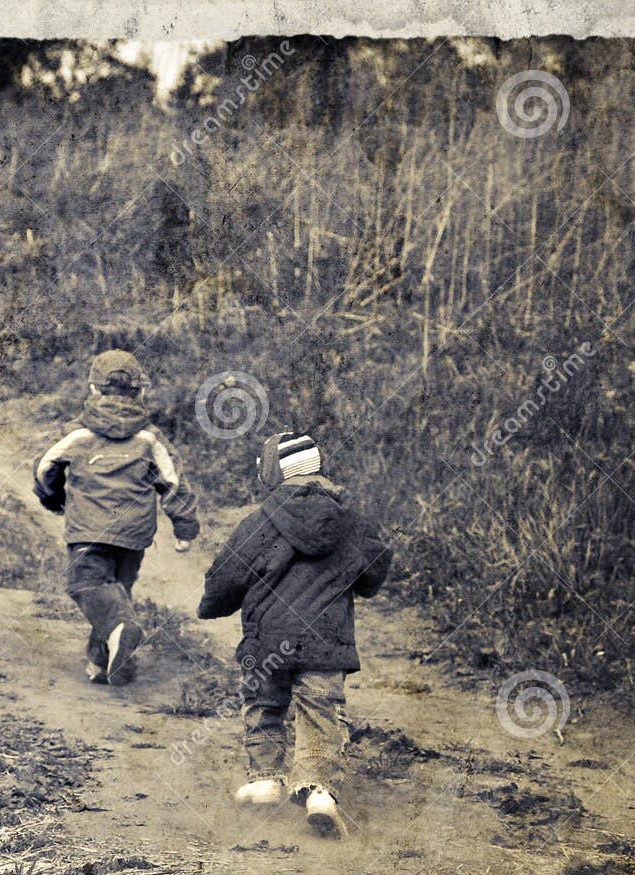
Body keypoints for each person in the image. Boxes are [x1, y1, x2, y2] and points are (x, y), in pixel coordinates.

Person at [197, 432, 392, 837]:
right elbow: (374, 572)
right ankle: (319, 791)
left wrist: (212, 604)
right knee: (321, 713)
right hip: (326, 641)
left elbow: (225, 576)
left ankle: (266, 778)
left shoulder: (259, 523)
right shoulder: (349, 521)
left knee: (264, 704)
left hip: (266, 640)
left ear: (273, 472)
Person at [34, 350, 200, 685]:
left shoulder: (77, 434)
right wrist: (185, 526)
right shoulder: (150, 438)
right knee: (116, 591)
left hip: (88, 530)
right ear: (141, 392)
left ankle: (117, 634)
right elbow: (173, 481)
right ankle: (102, 662)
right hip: (133, 534)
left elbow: (44, 469)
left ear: (92, 390)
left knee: (87, 585)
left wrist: (53, 499)